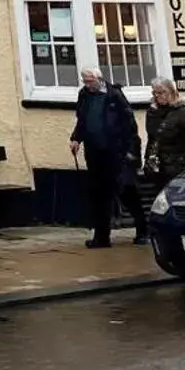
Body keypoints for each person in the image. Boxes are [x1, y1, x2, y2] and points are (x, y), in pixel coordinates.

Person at [70, 67, 146, 248]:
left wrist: (131, 152)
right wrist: (76, 138)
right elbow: (82, 120)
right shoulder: (84, 95)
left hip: (117, 153)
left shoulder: (115, 95)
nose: (88, 85)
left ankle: (143, 230)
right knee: (99, 195)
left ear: (99, 79)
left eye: (90, 81)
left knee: (127, 192)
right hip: (95, 153)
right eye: (85, 81)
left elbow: (130, 125)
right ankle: (101, 237)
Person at [145, 78, 185, 188]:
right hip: (159, 167)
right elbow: (152, 139)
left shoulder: (181, 112)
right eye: (154, 92)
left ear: (171, 93)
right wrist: (148, 160)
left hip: (179, 166)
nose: (157, 96)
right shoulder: (152, 112)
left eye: (161, 92)